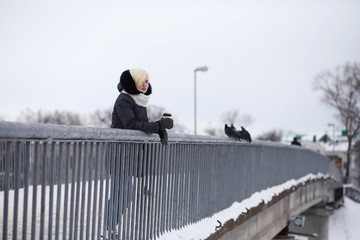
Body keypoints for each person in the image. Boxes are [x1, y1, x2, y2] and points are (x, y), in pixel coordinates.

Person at [111, 68, 173, 144]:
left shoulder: (139, 99)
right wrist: (158, 125)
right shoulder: (124, 99)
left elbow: (141, 125)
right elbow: (131, 125)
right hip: (120, 147)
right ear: (134, 82)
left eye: (146, 81)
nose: (145, 85)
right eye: (140, 81)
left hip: (133, 147)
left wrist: (160, 129)